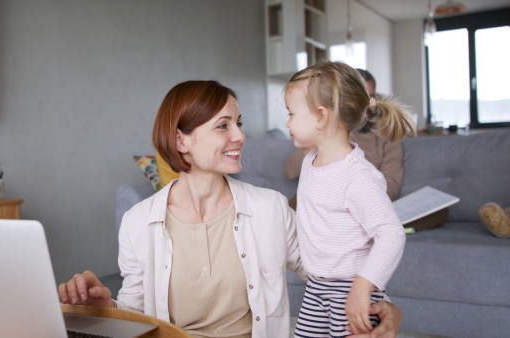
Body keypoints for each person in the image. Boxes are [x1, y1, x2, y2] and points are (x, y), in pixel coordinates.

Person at [58, 80, 402, 337]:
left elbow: (328, 272)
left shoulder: (271, 208)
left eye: (239, 123)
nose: (240, 136)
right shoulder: (137, 222)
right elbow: (136, 313)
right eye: (223, 125)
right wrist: (106, 308)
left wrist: (381, 306)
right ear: (181, 140)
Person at [284, 61, 415, 337]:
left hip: (351, 287)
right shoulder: (311, 161)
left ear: (321, 117)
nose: (287, 122)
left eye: (291, 113)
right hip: (317, 287)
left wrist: (363, 286)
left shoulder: (358, 176)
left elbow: (392, 234)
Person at [285, 68, 403, 209]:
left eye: (368, 98)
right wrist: (323, 144)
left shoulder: (387, 140)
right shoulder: (328, 134)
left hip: (351, 208)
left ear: (374, 98)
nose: (362, 107)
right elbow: (290, 170)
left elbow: (390, 189)